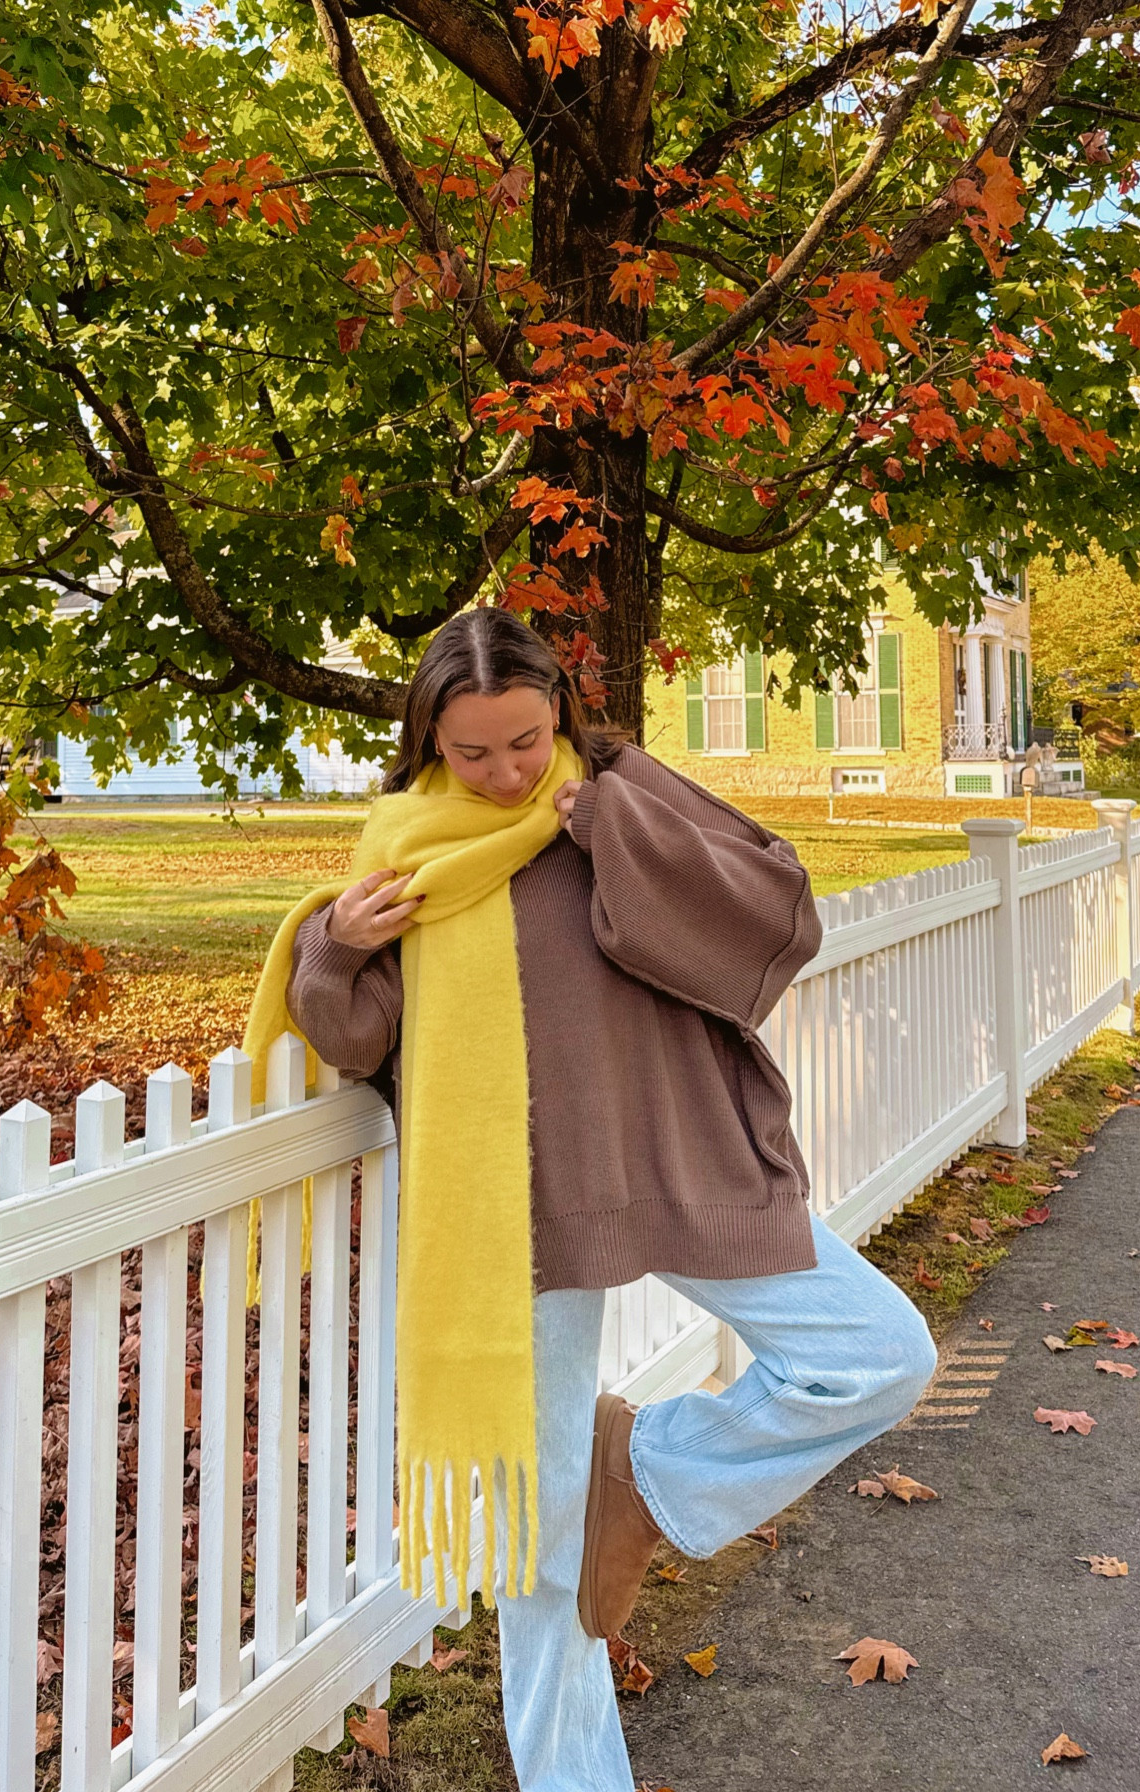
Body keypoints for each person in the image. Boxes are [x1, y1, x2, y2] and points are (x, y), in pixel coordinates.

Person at [285, 609, 936, 1792]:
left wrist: (611, 825)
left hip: (679, 1158)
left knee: (881, 1354)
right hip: (515, 1206)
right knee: (541, 1552)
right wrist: (333, 948)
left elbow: (774, 911)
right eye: (471, 750)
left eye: (525, 740)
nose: (504, 772)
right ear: (428, 735)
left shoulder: (621, 784)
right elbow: (367, 1038)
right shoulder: (406, 844)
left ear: (561, 712)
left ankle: (645, 1468)